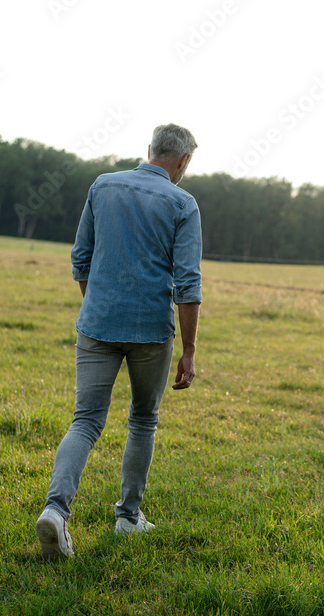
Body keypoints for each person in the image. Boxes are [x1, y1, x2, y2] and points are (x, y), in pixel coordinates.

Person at [35, 123, 203, 559]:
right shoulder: (183, 204)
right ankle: (128, 518)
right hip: (151, 331)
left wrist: (99, 308)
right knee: (143, 419)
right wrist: (189, 350)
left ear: (149, 150)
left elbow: (80, 258)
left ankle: (55, 511)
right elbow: (188, 284)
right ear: (183, 161)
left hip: (97, 323)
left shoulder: (102, 185)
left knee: (85, 421)